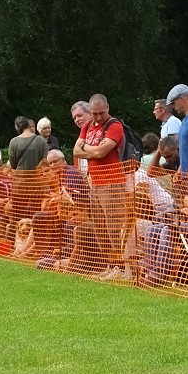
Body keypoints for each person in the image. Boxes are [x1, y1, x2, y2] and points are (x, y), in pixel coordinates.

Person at [73, 93, 130, 280]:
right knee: (100, 228)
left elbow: (100, 151)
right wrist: (94, 152)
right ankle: (110, 264)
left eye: (101, 113)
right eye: (95, 113)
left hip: (112, 183)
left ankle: (121, 267)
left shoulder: (115, 126)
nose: (97, 117)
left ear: (108, 108)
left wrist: (89, 150)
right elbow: (76, 150)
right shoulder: (88, 126)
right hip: (95, 184)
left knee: (115, 226)